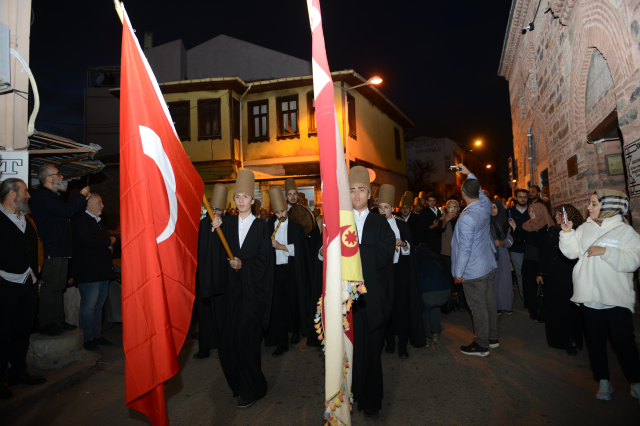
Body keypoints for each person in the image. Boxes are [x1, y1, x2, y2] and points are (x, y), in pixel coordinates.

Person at [559, 190, 640, 402]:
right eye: (590, 204)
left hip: (616, 298)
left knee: (624, 342)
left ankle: (636, 382)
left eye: (594, 204)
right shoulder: (585, 227)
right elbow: (571, 253)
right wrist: (567, 233)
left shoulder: (625, 231)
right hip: (589, 297)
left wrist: (606, 252)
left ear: (609, 207)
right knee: (595, 341)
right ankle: (603, 381)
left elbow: (633, 260)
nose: (589, 208)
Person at [207, 170, 274, 409]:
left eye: (246, 196)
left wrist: (243, 264)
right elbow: (214, 253)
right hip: (231, 296)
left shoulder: (261, 227)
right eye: (238, 197)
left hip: (252, 296)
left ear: (253, 201)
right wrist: (214, 230)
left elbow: (265, 261)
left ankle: (252, 388)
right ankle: (241, 384)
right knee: (232, 342)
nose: (242, 200)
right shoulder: (227, 223)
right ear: (234, 200)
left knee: (246, 342)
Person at [348, 166, 395, 419]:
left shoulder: (380, 222)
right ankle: (351, 392)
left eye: (361, 190)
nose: (356, 195)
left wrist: (356, 251)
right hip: (347, 298)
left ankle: (371, 400)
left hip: (373, 298)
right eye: (352, 190)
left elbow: (386, 253)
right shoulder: (341, 221)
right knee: (350, 349)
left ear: (370, 194)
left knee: (371, 350)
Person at [30, 163, 90, 336]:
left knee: (59, 286)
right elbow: (66, 211)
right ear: (48, 178)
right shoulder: (42, 195)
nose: (61, 177)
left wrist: (81, 202)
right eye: (58, 174)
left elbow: (68, 215)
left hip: (61, 248)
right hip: (52, 248)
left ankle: (57, 320)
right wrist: (80, 197)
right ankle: (46, 323)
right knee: (50, 287)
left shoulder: (54, 196)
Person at [0, 179, 46, 399]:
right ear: (11, 194)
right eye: (25, 191)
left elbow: (37, 243)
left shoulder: (27, 219)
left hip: (28, 282)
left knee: (22, 330)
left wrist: (37, 267)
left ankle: (17, 371)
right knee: (2, 332)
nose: (28, 195)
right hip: (5, 283)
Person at [450, 164, 498, 357]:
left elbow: (464, 249)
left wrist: (458, 273)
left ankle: (481, 345)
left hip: (475, 270)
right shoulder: (485, 204)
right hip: (487, 265)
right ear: (479, 191)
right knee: (489, 303)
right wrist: (469, 172)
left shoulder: (467, 217)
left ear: (462, 193)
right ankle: (492, 338)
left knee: (478, 308)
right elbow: (478, 189)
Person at [378, 185, 425, 358]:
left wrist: (404, 244)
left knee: (402, 309)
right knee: (386, 310)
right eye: (380, 207)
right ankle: (389, 342)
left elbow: (409, 250)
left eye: (386, 207)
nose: (383, 210)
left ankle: (403, 345)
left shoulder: (401, 225)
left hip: (399, 272)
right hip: (382, 274)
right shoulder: (374, 225)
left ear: (392, 208)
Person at [265, 187, 313, 356]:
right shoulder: (268, 227)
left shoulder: (296, 227)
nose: (281, 214)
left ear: (287, 209)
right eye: (277, 212)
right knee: (278, 307)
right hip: (276, 273)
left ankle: (295, 332)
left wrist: (281, 246)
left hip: (291, 271)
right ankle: (281, 342)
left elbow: (300, 251)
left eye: (283, 211)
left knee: (293, 304)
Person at [538, 204, 584, 356]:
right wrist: (541, 272)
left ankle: (572, 340)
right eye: (556, 214)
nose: (556, 217)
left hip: (571, 275)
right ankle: (557, 339)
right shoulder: (552, 231)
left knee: (570, 309)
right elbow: (545, 252)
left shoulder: (579, 231)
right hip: (553, 275)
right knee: (555, 307)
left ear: (568, 216)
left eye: (559, 214)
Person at [70, 194, 114, 352]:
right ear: (88, 205)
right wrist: (109, 241)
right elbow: (88, 240)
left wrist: (108, 242)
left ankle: (97, 335)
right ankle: (87, 338)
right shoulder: (81, 220)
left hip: (101, 271)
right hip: (89, 272)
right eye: (99, 202)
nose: (102, 205)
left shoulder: (97, 220)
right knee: (89, 307)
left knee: (99, 305)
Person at [193, 184, 228, 360]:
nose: (216, 212)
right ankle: (204, 347)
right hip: (204, 278)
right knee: (205, 316)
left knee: (222, 315)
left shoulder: (228, 225)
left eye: (219, 209)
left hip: (222, 278)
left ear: (224, 210)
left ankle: (224, 347)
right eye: (213, 209)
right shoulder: (202, 225)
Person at [511, 202, 554, 322]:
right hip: (529, 262)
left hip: (542, 262)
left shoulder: (547, 226)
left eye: (533, 211)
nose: (530, 213)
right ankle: (534, 314)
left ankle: (546, 312)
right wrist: (514, 228)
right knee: (530, 289)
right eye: (529, 211)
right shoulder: (526, 225)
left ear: (540, 211)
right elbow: (519, 240)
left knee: (544, 289)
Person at [415, 245, 452, 347]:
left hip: (427, 294)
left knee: (425, 310)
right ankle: (436, 333)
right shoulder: (436, 256)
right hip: (445, 292)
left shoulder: (416, 258)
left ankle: (426, 337)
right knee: (436, 306)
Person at [439, 199, 465, 312]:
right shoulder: (443, 218)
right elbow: (439, 228)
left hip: (461, 254)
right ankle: (449, 304)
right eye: (450, 207)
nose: (452, 209)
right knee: (448, 279)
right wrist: (446, 219)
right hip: (447, 254)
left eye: (454, 207)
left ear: (458, 209)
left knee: (461, 280)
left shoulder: (463, 218)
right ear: (446, 209)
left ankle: (462, 304)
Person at [490, 200, 514, 315]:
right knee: (494, 281)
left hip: (503, 254)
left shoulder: (506, 224)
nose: (492, 209)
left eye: (495, 207)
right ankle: (497, 307)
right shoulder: (485, 223)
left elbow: (510, 241)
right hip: (490, 255)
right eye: (490, 207)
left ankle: (507, 306)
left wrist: (502, 242)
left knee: (505, 280)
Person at [508, 189, 529, 302]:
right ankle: (524, 297)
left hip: (530, 247)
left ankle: (532, 297)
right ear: (516, 197)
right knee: (520, 273)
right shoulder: (509, 212)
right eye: (520, 197)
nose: (523, 199)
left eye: (525, 197)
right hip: (516, 248)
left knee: (531, 273)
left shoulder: (531, 211)